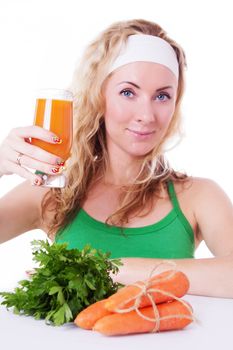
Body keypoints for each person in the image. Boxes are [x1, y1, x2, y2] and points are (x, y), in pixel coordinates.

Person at [0, 19, 233, 298]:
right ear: (100, 97)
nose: (146, 115)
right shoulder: (53, 193)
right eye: (128, 92)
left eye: (162, 96)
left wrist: (108, 270)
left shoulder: (199, 196)